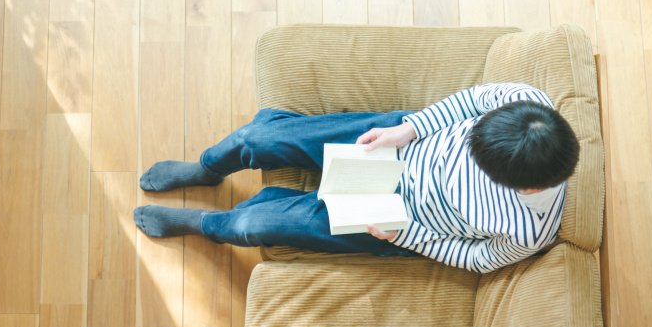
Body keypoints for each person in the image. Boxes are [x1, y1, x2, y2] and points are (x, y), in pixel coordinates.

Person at [132, 83, 579, 273]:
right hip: (400, 143)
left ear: (528, 187)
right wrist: (410, 128)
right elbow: (473, 100)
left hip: (397, 221)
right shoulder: (528, 102)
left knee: (252, 227)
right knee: (258, 136)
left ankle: (206, 226)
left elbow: (478, 259)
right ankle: (208, 170)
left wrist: (407, 238)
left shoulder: (530, 231)